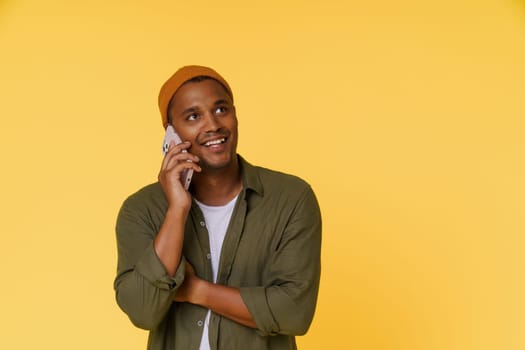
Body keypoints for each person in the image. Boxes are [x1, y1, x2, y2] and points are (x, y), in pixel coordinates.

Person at [114, 65, 322, 350]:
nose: (212, 125)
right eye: (193, 116)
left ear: (235, 115)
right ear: (171, 134)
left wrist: (196, 291)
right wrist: (176, 210)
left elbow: (294, 312)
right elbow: (142, 310)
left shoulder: (291, 199)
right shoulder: (141, 210)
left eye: (221, 109)